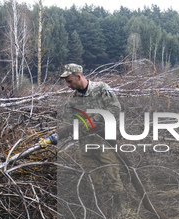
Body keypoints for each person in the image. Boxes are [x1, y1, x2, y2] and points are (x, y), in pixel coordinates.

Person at [42, 63, 124, 209]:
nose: (67, 85)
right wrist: (53, 137)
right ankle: (100, 210)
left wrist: (92, 121)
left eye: (69, 81)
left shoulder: (102, 89)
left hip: (105, 142)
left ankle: (119, 210)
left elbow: (115, 108)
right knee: (93, 180)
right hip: (85, 145)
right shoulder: (72, 101)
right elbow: (66, 124)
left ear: (78, 76)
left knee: (113, 177)